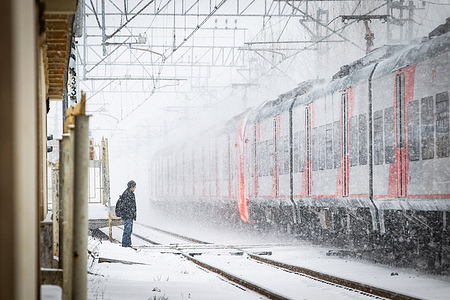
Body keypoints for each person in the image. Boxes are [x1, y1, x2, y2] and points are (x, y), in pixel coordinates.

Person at [120, 180, 137, 247]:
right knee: (127, 230)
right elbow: (127, 206)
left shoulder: (129, 193)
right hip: (128, 215)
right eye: (134, 186)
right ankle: (125, 244)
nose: (135, 188)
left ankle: (128, 243)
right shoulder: (128, 194)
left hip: (129, 215)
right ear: (131, 186)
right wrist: (130, 214)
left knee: (128, 230)